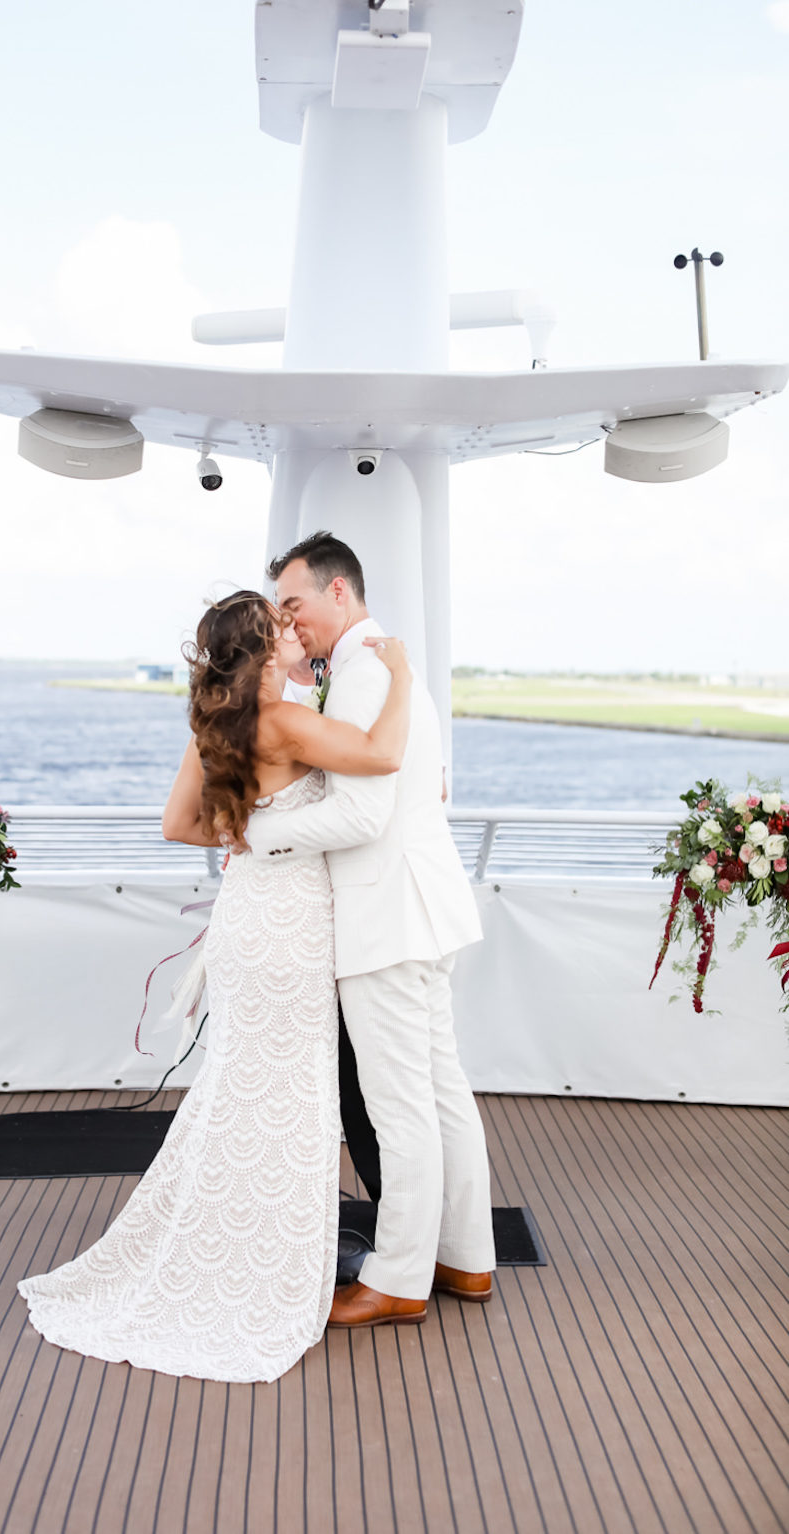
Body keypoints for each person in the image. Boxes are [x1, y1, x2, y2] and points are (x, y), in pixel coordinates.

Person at [17, 591, 411, 1382]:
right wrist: (400, 677)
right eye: (283, 631)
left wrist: (242, 833)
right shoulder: (285, 720)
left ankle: (228, 1240)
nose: (296, 636)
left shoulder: (215, 725)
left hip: (243, 923)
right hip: (293, 929)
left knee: (238, 1089)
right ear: (265, 653)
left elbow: (179, 826)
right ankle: (263, 1258)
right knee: (292, 1097)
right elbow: (382, 756)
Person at [242, 532, 495, 1328]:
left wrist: (261, 836)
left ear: (339, 593)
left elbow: (360, 811)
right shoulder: (385, 671)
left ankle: (398, 1278)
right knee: (443, 1092)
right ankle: (466, 1258)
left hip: (387, 915)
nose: (290, 622)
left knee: (400, 1106)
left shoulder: (358, 674)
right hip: (428, 906)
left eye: (294, 604)